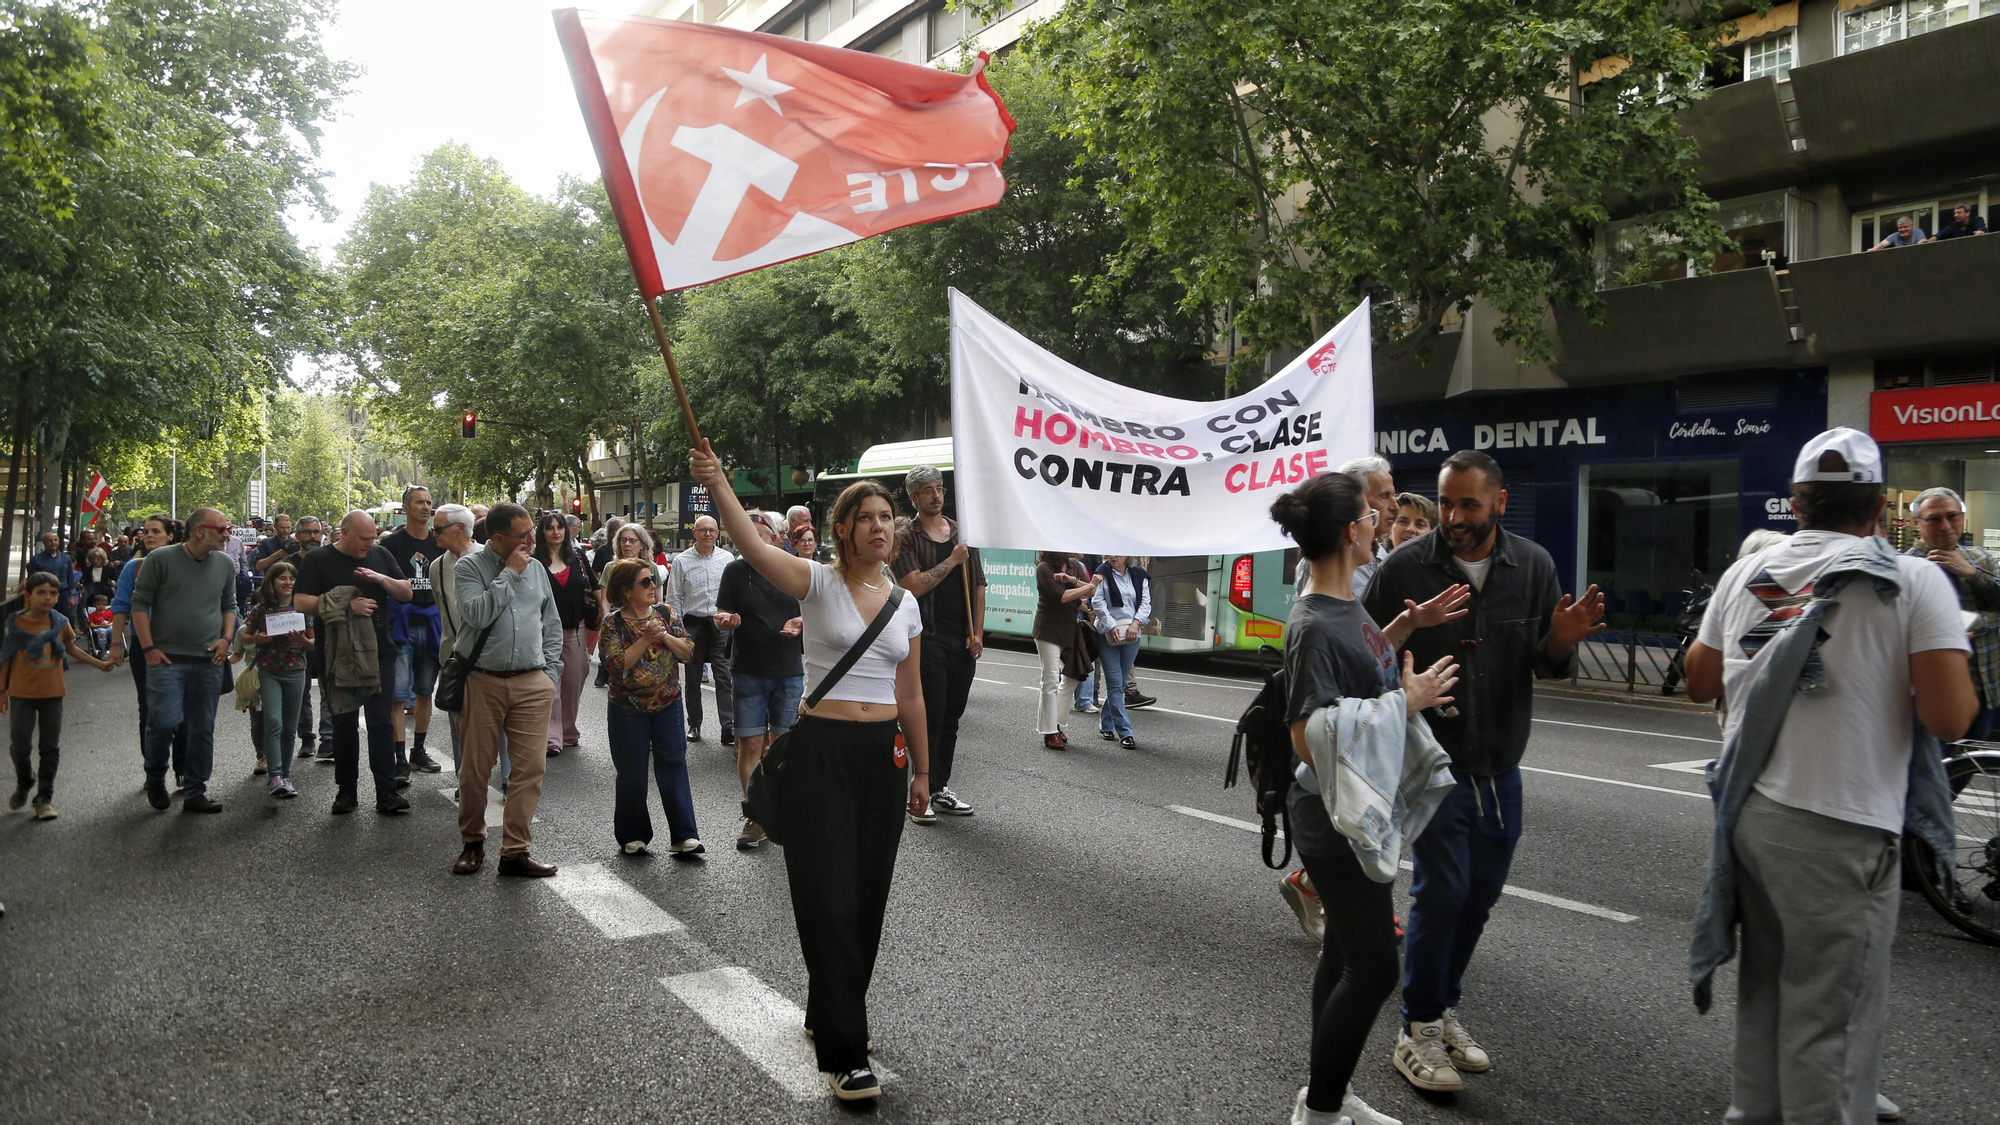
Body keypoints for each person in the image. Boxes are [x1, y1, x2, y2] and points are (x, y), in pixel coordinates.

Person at [1684, 428, 1976, 1125]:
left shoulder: (1748, 573)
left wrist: (1778, 633)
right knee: (1832, 1025)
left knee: (1767, 991)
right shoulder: (1911, 580)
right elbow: (1950, 716)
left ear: (1796, 503)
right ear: (1880, 508)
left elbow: (1699, 680)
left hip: (1752, 812)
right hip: (1844, 822)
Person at [689, 438, 928, 1103]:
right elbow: (750, 545)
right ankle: (845, 1052)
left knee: (867, 895)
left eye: (887, 517)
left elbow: (912, 694)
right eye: (866, 517)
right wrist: (717, 482)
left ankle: (831, 1007)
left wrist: (922, 772)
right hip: (822, 749)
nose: (880, 526)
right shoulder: (816, 581)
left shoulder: (905, 603)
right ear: (842, 529)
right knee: (828, 895)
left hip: (883, 758)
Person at [1362, 450, 1605, 1093]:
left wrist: (1563, 638)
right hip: (1432, 761)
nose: (1453, 517)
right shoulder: (1406, 567)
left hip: (1501, 763)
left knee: (1480, 897)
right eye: (1445, 502)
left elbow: (1546, 662)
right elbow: (1369, 652)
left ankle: (1441, 1007)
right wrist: (1400, 681)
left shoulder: (1534, 565)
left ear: (1499, 502)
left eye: (1468, 504)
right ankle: (1417, 1029)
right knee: (1443, 891)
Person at [1272, 471, 1465, 1125]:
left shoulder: (1343, 605)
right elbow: (1305, 736)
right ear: (1352, 531)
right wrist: (1403, 703)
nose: (1380, 521)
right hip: (1330, 818)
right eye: (1371, 514)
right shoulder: (1313, 622)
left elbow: (1359, 664)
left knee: (1344, 954)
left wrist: (1407, 624)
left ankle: (1327, 1091)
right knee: (1376, 968)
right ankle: (1321, 1112)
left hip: (1345, 809)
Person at [449, 502, 564, 878]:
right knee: (475, 770)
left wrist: (550, 673)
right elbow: (477, 614)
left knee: (529, 770)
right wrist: (510, 573)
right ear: (498, 539)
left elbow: (551, 622)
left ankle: (515, 850)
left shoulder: (537, 569)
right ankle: (472, 841)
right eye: (524, 535)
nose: (533, 539)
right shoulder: (469, 567)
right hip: (483, 680)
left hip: (532, 681)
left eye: (532, 531)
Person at [290, 511, 414, 816]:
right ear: (344, 533)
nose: (369, 544)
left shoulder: (380, 554)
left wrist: (381, 578)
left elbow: (406, 592)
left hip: (380, 651)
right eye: (363, 539)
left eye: (372, 538)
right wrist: (346, 605)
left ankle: (387, 791)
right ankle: (346, 792)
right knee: (344, 723)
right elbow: (300, 602)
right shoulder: (319, 559)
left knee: (380, 722)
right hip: (338, 653)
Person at [130, 507, 240, 814]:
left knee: (202, 729)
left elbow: (229, 604)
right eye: (222, 529)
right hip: (167, 660)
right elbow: (139, 604)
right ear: (199, 530)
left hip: (209, 660)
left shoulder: (224, 562)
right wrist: (148, 648)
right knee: (163, 722)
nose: (228, 534)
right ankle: (155, 775)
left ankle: (195, 790)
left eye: (229, 529)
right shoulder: (160, 559)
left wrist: (226, 638)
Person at [891, 466, 986, 822]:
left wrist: (977, 633)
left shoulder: (963, 533)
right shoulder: (906, 537)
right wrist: (951, 560)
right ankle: (920, 790)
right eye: (928, 490)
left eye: (940, 488)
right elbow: (913, 585)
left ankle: (939, 787)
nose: (936, 495)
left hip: (961, 640)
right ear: (914, 497)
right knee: (929, 715)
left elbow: (979, 585)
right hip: (926, 638)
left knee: (951, 717)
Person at [601, 556, 701, 855]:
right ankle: (633, 835)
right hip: (627, 708)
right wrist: (645, 639)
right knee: (632, 772)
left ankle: (684, 836)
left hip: (668, 703)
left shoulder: (666, 613)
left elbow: (688, 652)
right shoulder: (613, 623)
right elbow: (615, 665)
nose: (652, 586)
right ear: (626, 590)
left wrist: (665, 635)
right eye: (644, 581)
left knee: (674, 766)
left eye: (653, 580)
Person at [720, 511, 807, 848]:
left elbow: (816, 611)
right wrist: (723, 619)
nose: (749, 541)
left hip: (788, 670)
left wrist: (800, 622)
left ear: (774, 538)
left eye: (756, 534)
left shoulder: (795, 566)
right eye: (744, 535)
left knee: (783, 745)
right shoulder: (735, 571)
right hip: (748, 669)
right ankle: (756, 814)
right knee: (750, 744)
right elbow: (720, 612)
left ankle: (780, 810)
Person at [5, 572, 115, 821]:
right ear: (28, 595)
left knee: (50, 747)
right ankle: (25, 780)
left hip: (52, 693)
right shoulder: (16, 623)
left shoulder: (61, 622)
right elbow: (6, 657)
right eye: (41, 592)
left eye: (53, 593)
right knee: (19, 747)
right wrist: (2, 692)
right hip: (21, 693)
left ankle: (44, 798)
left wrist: (99, 663)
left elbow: (71, 649)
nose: (48, 597)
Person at [1903, 486, 2000, 739]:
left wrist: (1972, 573)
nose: (1945, 525)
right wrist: (1990, 619)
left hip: (1989, 689)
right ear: (1917, 523)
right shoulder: (1906, 569)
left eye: (1952, 516)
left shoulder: (1981, 559)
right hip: (1935, 697)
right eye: (1934, 519)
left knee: (1976, 757)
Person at [108, 516, 190, 788]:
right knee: (149, 708)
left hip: (181, 646)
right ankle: (153, 770)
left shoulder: (186, 566)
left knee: (184, 709)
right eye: (146, 531)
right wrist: (116, 645)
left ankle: (183, 767)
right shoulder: (135, 567)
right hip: (143, 647)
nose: (149, 535)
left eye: (156, 531)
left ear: (171, 536)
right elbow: (121, 605)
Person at [379, 487, 443, 779]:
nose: (426, 507)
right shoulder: (390, 544)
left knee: (425, 692)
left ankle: (418, 751)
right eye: (419, 502)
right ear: (405, 508)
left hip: (432, 626)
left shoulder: (439, 542)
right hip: (401, 628)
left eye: (429, 503)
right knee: (398, 696)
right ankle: (399, 759)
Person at [239, 560, 313, 799]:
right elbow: (245, 637)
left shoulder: (301, 607)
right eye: (282, 578)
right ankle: (275, 776)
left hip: (296, 671)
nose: (288, 582)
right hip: (269, 671)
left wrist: (302, 641)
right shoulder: (261, 609)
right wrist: (259, 639)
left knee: (290, 727)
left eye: (292, 578)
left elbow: (314, 642)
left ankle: (286, 776)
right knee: (273, 721)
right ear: (272, 581)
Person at [534, 509, 598, 756]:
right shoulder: (534, 560)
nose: (556, 532)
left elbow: (593, 587)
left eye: (559, 527)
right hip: (542, 631)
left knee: (573, 680)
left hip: (575, 628)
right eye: (550, 528)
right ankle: (552, 737)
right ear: (542, 532)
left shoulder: (578, 557)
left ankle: (568, 730)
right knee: (550, 683)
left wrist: (603, 611)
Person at [670, 514, 736, 748]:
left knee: (724, 676)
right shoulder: (681, 561)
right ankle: (694, 724)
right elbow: (674, 598)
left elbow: (733, 593)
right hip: (693, 625)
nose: (708, 533)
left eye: (712, 530)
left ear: (718, 533)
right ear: (694, 533)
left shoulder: (727, 559)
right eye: (703, 530)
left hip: (720, 624)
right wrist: (679, 630)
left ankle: (728, 727)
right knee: (693, 677)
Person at [1033, 552, 1100, 750]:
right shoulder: (1044, 568)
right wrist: (1088, 585)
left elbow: (1091, 594)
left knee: (1072, 677)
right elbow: (1062, 596)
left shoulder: (1074, 565)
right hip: (1048, 630)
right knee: (1051, 680)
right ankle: (1049, 732)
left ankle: (1056, 723)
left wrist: (1074, 582)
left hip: (1070, 629)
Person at [1088, 556, 1149, 750]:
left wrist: (1136, 623)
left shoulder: (1139, 575)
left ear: (1127, 556)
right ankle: (1126, 733)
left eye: (1118, 553)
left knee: (1120, 684)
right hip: (1108, 634)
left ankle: (1106, 723)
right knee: (1115, 684)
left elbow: (1146, 603)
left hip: (1132, 634)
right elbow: (1098, 602)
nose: (1113, 556)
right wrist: (1111, 625)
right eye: (1111, 553)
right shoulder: (1102, 574)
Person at [589, 516, 627, 688]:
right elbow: (594, 573)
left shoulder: (646, 565)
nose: (627, 544)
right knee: (610, 643)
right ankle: (603, 668)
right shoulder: (604, 552)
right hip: (612, 605)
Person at [26, 531, 77, 633]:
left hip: (62, 595)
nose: (53, 543)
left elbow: (70, 579)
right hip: (44, 595)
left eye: (55, 540)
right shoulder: (36, 559)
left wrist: (72, 597)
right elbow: (32, 580)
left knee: (63, 621)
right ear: (44, 543)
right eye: (50, 541)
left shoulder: (66, 558)